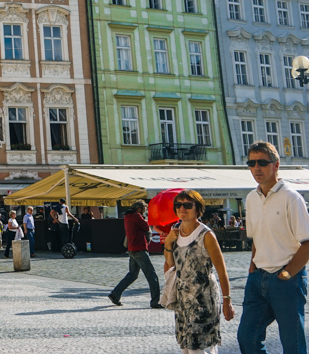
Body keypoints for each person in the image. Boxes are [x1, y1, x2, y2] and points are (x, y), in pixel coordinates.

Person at [237, 141, 309, 354]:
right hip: (257, 278)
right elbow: (256, 239)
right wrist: (252, 268)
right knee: (247, 337)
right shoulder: (251, 198)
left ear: (276, 165)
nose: (256, 168)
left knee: (293, 343)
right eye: (251, 163)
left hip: (287, 280)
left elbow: (307, 243)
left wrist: (287, 273)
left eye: (262, 162)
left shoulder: (291, 198)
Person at [163, 190, 234, 353]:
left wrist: (227, 301)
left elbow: (221, 270)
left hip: (203, 300)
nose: (182, 208)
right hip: (182, 301)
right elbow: (169, 265)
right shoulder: (175, 231)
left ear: (198, 208)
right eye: (178, 205)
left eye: (187, 205)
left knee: (200, 348)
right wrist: (168, 242)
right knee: (186, 348)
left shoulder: (206, 235)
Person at [108, 201, 161, 309]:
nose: (145, 212)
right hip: (140, 248)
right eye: (144, 210)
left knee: (132, 275)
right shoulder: (137, 216)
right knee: (152, 276)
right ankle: (155, 301)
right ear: (140, 209)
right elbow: (146, 227)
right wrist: (145, 219)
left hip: (132, 248)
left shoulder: (128, 216)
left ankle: (115, 294)